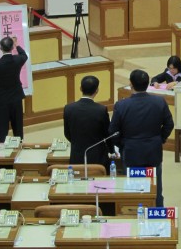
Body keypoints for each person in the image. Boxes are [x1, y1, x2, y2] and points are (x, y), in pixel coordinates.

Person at [109, 69, 174, 207]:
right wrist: (160, 139)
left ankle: (134, 214)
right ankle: (156, 218)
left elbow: (113, 131)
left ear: (131, 84)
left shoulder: (121, 105)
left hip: (131, 152)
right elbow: (169, 124)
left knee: (133, 188)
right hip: (153, 151)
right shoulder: (159, 102)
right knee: (155, 186)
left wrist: (122, 145)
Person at [63, 76, 112, 171]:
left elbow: (67, 133)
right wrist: (112, 150)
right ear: (97, 90)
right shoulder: (101, 110)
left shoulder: (68, 108)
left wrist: (78, 143)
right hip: (98, 158)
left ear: (80, 88)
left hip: (76, 156)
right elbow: (107, 134)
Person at [0, 36, 28, 143]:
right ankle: (19, 151)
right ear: (11, 47)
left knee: (2, 131)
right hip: (16, 100)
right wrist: (16, 44)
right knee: (18, 130)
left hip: (2, 101)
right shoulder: (18, 60)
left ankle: (3, 155)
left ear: (1, 48)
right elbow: (24, 55)